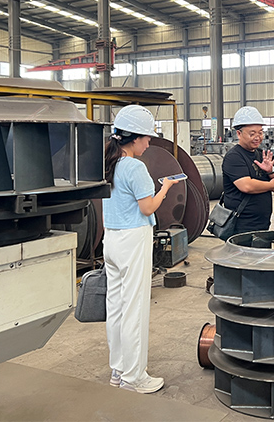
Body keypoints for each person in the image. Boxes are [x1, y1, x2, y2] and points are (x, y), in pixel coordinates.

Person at [102, 105, 182, 394]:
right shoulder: (135, 167)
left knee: (116, 307)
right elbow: (147, 208)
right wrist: (165, 189)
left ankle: (118, 369)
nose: (149, 143)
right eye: (147, 138)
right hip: (133, 238)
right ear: (134, 138)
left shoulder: (109, 163)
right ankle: (134, 377)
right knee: (134, 308)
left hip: (111, 238)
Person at [222, 106, 274, 234]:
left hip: (262, 223)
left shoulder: (260, 154)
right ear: (239, 134)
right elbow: (246, 186)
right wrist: (270, 185)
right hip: (241, 225)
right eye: (252, 133)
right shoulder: (234, 157)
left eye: (260, 133)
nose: (258, 137)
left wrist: (271, 171)